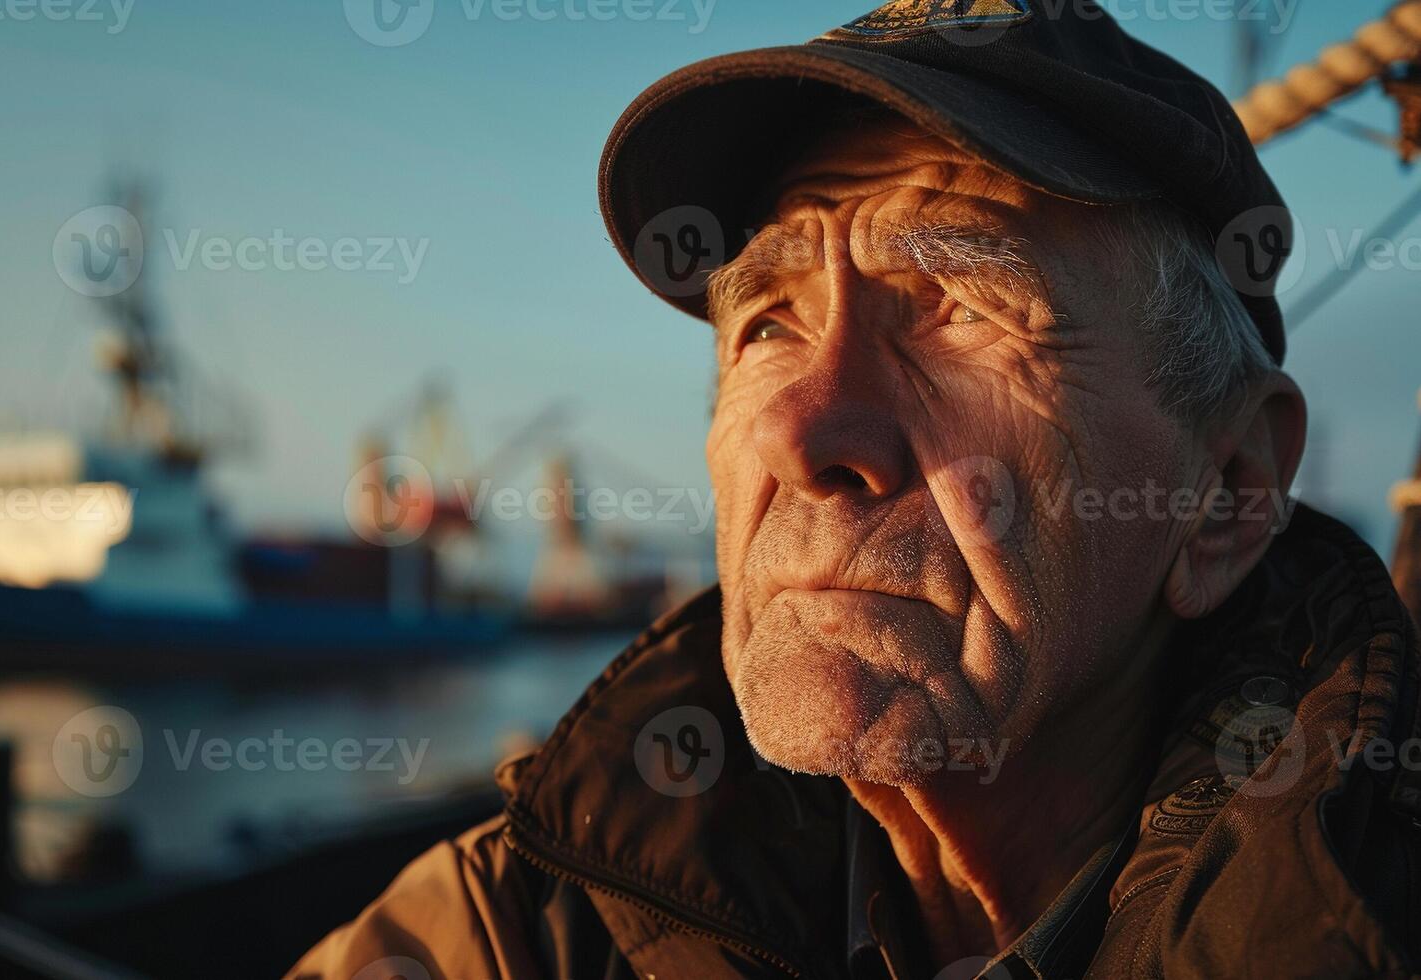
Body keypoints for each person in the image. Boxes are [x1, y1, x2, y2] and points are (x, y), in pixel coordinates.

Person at [290, 2, 1421, 977]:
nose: (800, 427)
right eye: (768, 322)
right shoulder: (528, 920)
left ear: (1226, 492)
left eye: (961, 309)